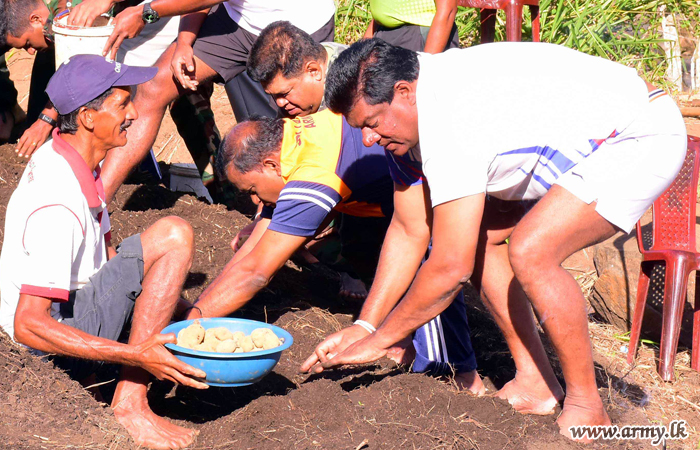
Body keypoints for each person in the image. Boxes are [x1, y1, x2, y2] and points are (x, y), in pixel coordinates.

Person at [310, 39, 687, 440]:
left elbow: (449, 268)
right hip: (575, 136)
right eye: (360, 128)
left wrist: (383, 339)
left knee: (531, 249)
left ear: (404, 92)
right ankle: (536, 382)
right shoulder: (408, 110)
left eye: (371, 123)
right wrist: (367, 326)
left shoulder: (449, 120)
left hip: (636, 133)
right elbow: (409, 228)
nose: (368, 139)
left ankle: (587, 406)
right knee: (476, 239)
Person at [184, 110, 483, 392]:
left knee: (431, 272)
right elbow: (250, 254)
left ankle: (459, 375)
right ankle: (405, 338)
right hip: (393, 194)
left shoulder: (313, 175)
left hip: (439, 184)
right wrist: (198, 311)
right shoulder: (291, 137)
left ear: (270, 166)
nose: (255, 201)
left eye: (251, 190)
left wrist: (187, 327)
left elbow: (256, 272)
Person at [0, 55, 209, 450]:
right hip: (41, 351)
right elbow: (28, 324)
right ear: (88, 118)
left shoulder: (78, 160)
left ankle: (118, 387)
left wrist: (184, 311)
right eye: (121, 103)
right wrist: (135, 354)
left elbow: (108, 260)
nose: (133, 112)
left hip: (75, 307)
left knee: (165, 245)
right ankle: (129, 404)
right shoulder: (57, 203)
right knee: (175, 235)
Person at [91, 0, 335, 204]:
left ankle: (299, 221)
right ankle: (97, 203)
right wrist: (184, 43)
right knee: (156, 85)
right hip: (236, 21)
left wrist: (145, 12)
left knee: (294, 130)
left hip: (298, 26)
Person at [0, 0, 220, 184]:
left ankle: (225, 190)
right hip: (144, 16)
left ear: (35, 19)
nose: (28, 51)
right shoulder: (57, 22)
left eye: (27, 42)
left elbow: (89, 63)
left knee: (175, 96)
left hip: (183, 14)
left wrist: (47, 117)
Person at [364, 0, 459, 53]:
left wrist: (428, 62)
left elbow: (448, 10)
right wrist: (362, 48)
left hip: (419, 36)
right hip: (383, 34)